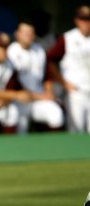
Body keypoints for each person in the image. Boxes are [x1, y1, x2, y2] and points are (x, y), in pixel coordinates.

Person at [7, 20, 64, 133]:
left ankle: (52, 148)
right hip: (18, 100)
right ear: (17, 34)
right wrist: (38, 96)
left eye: (31, 33)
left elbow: (47, 75)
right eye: (25, 32)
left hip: (39, 97)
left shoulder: (39, 50)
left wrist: (48, 91)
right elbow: (12, 82)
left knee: (56, 114)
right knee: (19, 126)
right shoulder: (11, 52)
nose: (29, 36)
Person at [46, 5, 90, 133]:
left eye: (88, 19)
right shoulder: (67, 38)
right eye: (83, 19)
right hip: (76, 90)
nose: (86, 23)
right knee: (76, 128)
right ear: (76, 20)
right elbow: (50, 60)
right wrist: (63, 83)